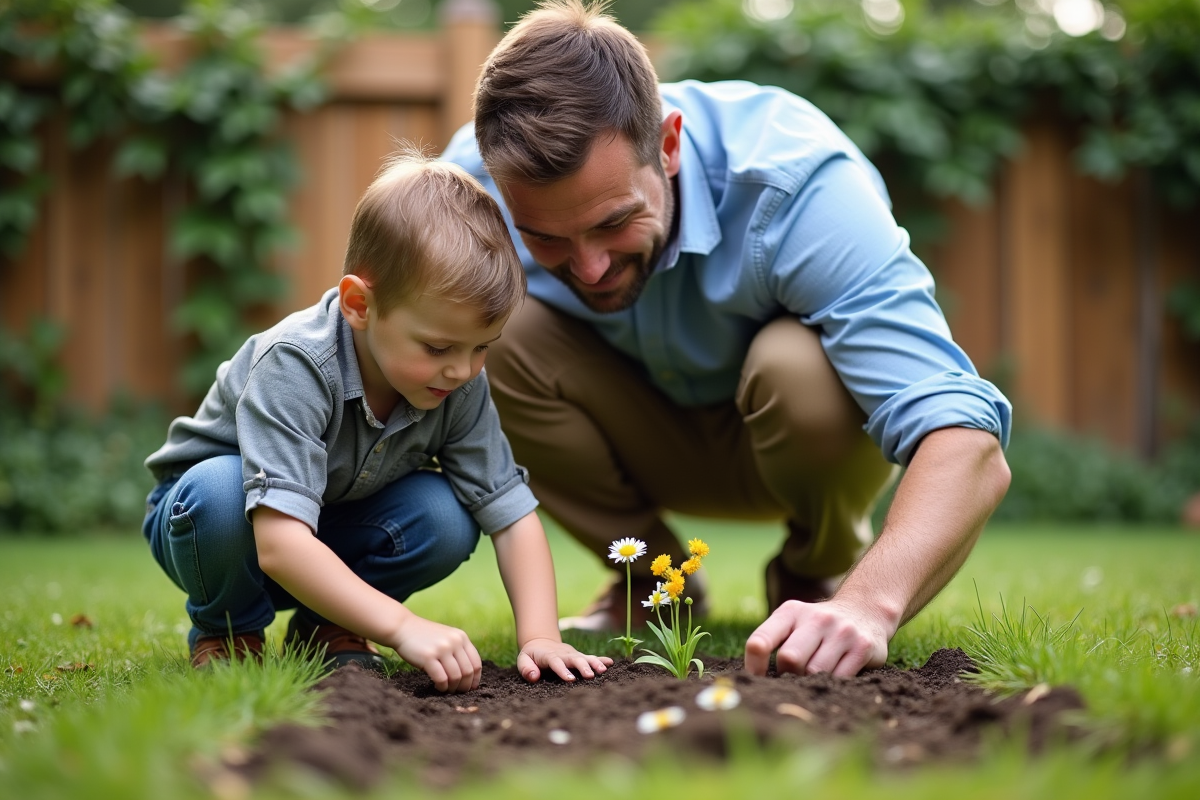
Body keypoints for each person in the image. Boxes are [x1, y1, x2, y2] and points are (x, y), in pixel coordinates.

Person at [441, 0, 1013, 678]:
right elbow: (373, 344)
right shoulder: (469, 192)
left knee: (796, 366)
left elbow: (966, 438)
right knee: (477, 339)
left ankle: (813, 579)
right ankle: (657, 584)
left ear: (670, 145)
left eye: (614, 221)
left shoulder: (797, 183)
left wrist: (870, 605)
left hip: (798, 440)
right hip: (628, 435)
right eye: (546, 238)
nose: (588, 268)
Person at [142, 148, 612, 692]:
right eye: (438, 346)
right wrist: (402, 626)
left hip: (328, 526)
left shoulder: (454, 381)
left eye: (482, 346)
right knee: (220, 493)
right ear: (359, 304)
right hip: (213, 532)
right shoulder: (296, 365)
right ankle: (229, 630)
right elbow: (278, 541)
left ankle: (330, 626)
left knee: (447, 515)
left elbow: (510, 515)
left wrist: (541, 636)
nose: (462, 369)